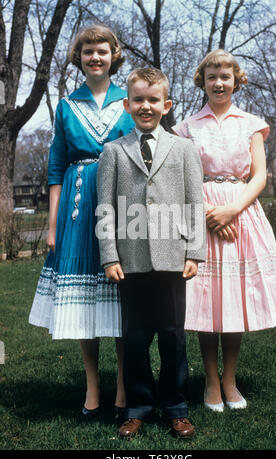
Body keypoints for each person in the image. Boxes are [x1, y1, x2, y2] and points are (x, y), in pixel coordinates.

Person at [172, 49, 276, 412]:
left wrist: (231, 210)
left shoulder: (251, 124)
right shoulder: (188, 127)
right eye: (212, 77)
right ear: (202, 82)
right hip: (202, 212)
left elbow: (259, 176)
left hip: (241, 212)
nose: (219, 83)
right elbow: (182, 176)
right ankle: (210, 382)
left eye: (225, 76)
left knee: (234, 297)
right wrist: (210, 212)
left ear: (236, 81)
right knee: (206, 299)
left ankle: (229, 378)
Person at [29, 25, 135, 416]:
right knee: (87, 303)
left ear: (113, 55)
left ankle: (124, 384)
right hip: (77, 208)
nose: (95, 57)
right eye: (88, 51)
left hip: (122, 206)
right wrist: (53, 226)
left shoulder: (129, 99)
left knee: (122, 297)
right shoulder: (66, 105)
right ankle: (93, 385)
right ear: (80, 57)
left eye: (102, 51)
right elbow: (56, 166)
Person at [97, 68, 206, 438]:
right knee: (135, 337)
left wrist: (195, 251)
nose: (146, 106)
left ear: (167, 105)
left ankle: (176, 406)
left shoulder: (184, 148)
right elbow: (106, 208)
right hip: (130, 262)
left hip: (174, 259)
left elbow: (195, 202)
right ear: (127, 104)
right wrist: (110, 255)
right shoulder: (113, 152)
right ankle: (139, 407)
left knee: (174, 335)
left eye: (153, 100)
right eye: (139, 100)